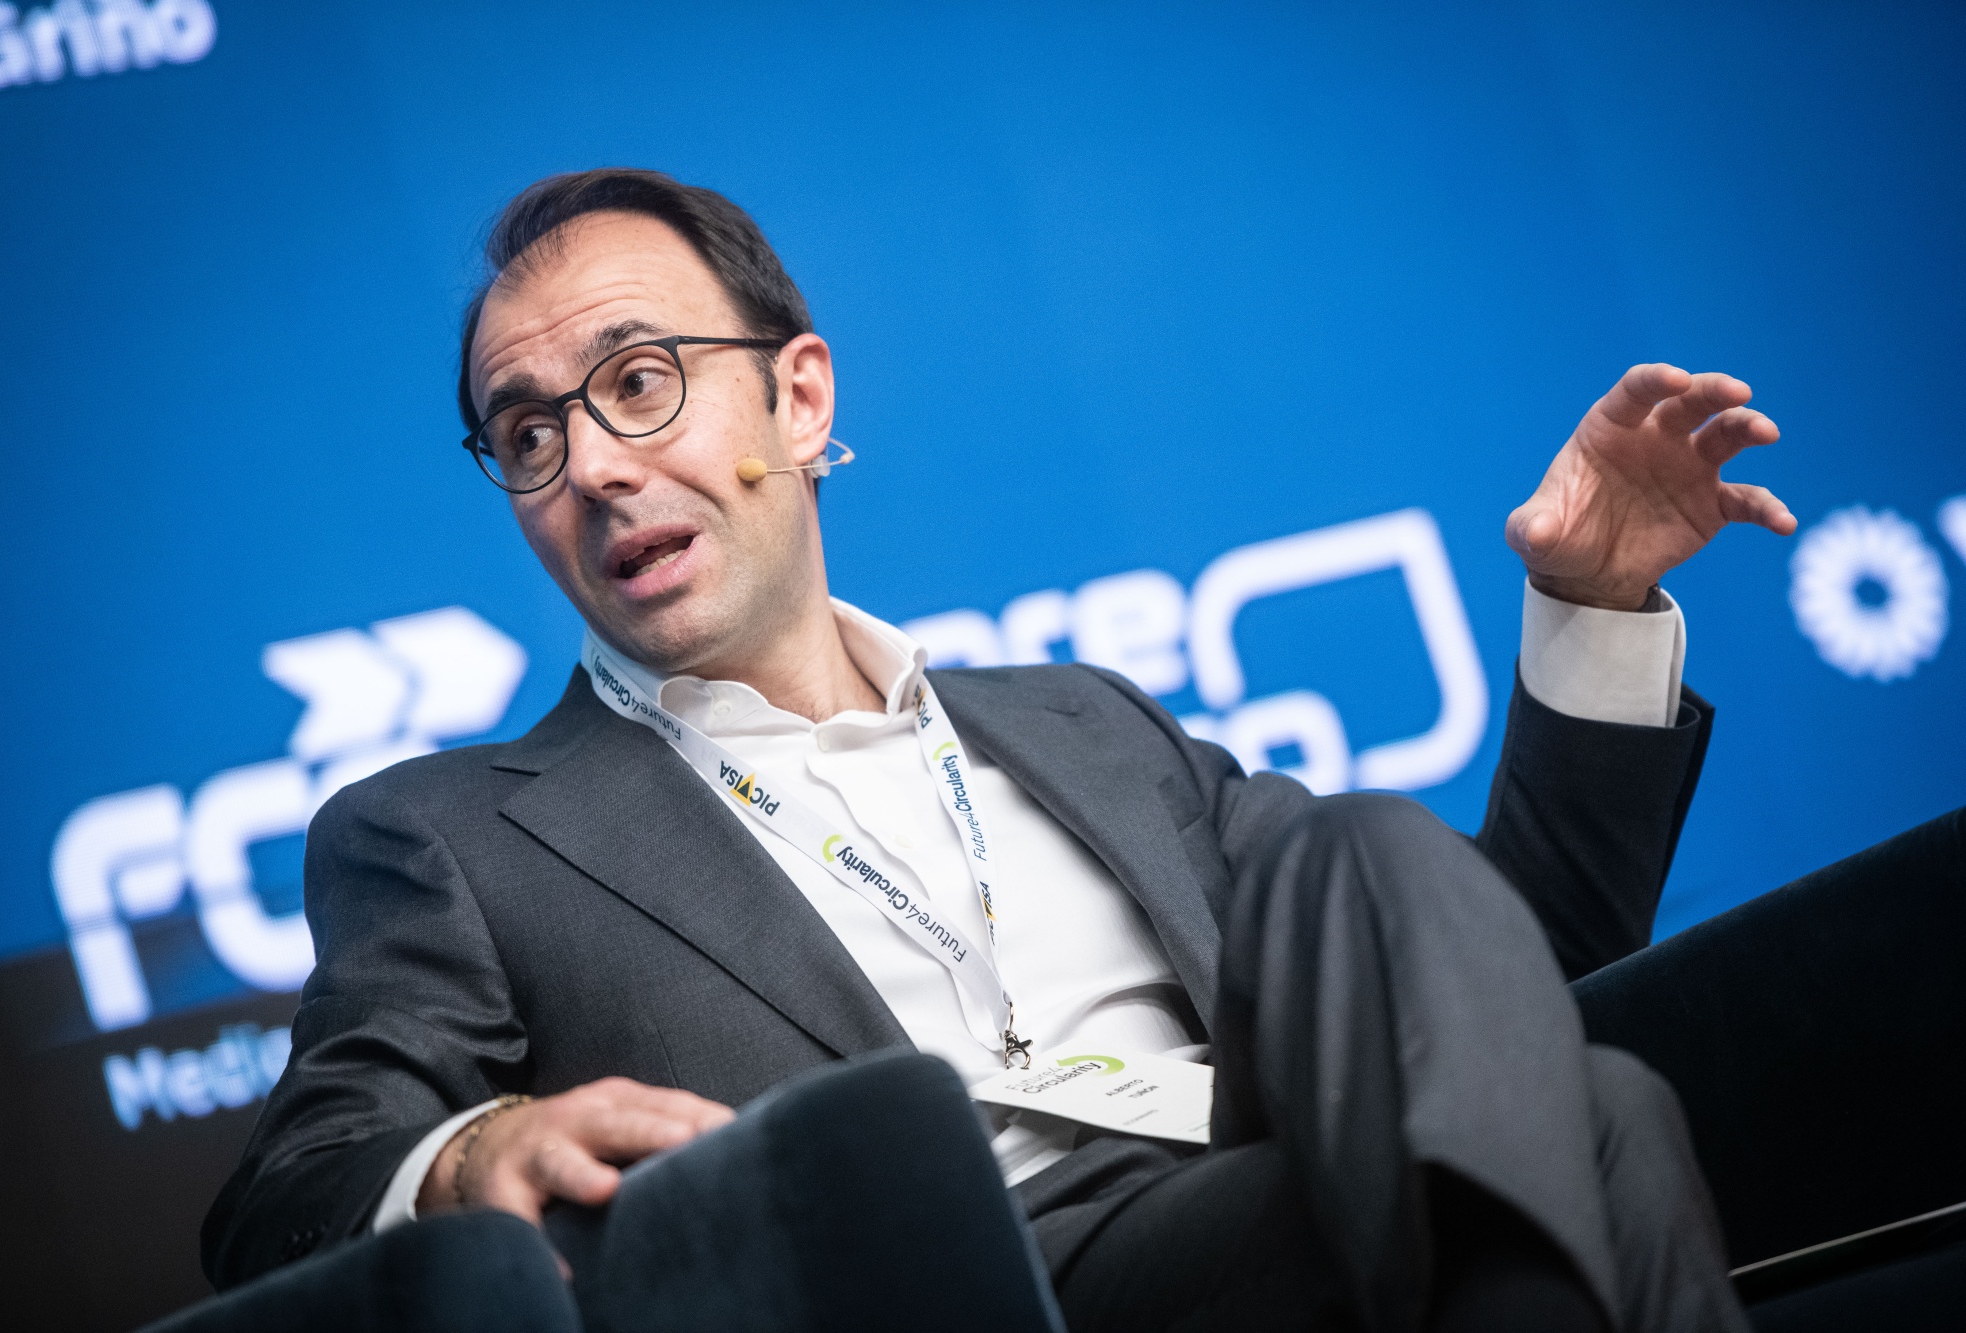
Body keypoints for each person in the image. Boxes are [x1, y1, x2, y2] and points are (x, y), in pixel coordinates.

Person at [203, 168, 1799, 1332]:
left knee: (1395, 890)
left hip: (1262, 1185)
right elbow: (289, 1194)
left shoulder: (1083, 720)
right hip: (967, 1278)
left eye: (639, 382)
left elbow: (1509, 995)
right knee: (1603, 1122)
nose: (596, 466)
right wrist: (473, 1152)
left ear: (800, 399)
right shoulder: (451, 835)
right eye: (531, 433)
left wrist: (1589, 612)